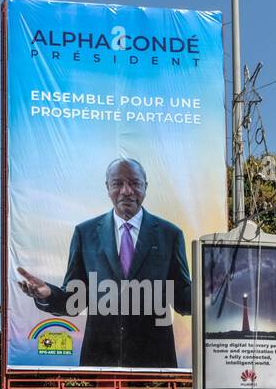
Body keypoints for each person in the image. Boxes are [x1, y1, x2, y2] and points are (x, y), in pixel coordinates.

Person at [15, 157, 193, 368]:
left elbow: (183, 300)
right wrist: (48, 294)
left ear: (146, 186)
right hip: (100, 361)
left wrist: (210, 288)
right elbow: (75, 301)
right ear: (107, 187)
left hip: (154, 363)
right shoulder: (85, 233)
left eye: (135, 183)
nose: (126, 191)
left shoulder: (169, 235)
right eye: (117, 183)